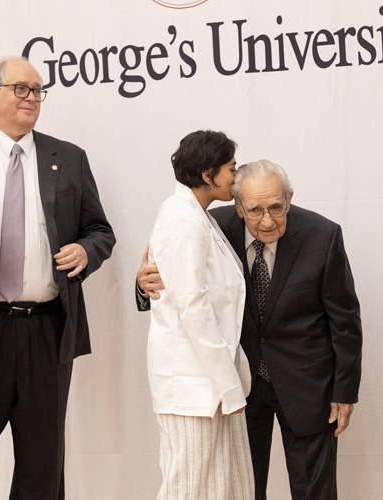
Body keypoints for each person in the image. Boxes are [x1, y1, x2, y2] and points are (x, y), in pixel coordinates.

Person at [138, 159, 362, 500]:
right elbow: (177, 283)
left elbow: (345, 321)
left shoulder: (323, 235)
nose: (268, 220)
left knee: (314, 491)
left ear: (289, 197)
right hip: (240, 387)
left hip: (307, 387)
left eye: (277, 207)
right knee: (241, 489)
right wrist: (143, 286)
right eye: (255, 210)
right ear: (238, 206)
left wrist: (344, 392)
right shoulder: (211, 227)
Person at [0, 57, 116, 499]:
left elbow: (100, 230)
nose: (33, 98)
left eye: (38, 90)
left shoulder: (68, 157)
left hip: (48, 328)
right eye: (22, 89)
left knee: (43, 464)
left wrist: (87, 250)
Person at [146, 130, 254, 500]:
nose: (236, 178)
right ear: (208, 175)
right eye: (231, 169)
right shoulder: (183, 221)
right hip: (194, 387)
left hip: (213, 385)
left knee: (229, 487)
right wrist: (229, 386)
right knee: (187, 489)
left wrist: (229, 386)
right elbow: (193, 308)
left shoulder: (199, 216)